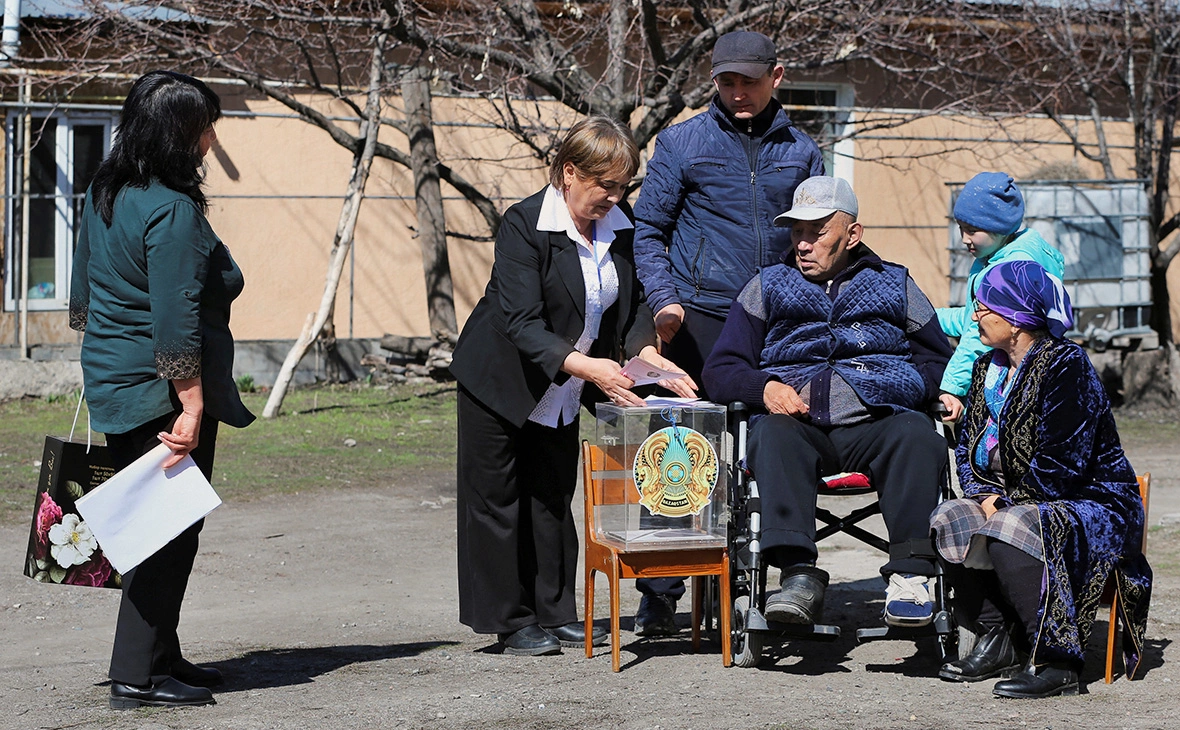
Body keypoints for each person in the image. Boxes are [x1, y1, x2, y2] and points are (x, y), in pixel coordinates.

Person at [449, 116, 696, 657]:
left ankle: (555, 611)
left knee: (553, 497)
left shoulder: (619, 226)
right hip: (501, 380)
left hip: (563, 385)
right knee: (498, 502)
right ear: (568, 173)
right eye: (603, 185)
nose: (614, 196)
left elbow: (627, 310)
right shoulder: (524, 224)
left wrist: (644, 351)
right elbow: (520, 321)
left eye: (622, 186)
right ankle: (509, 621)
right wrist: (591, 369)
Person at [68, 71, 254, 709]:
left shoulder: (107, 189)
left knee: (167, 524)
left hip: (117, 375)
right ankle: (136, 676)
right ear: (179, 134)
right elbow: (175, 317)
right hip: (161, 389)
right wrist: (193, 403)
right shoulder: (172, 210)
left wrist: (106, 355)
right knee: (162, 534)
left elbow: (84, 293)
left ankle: (160, 655)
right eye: (205, 125)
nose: (210, 138)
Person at [631, 29, 825, 635]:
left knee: (778, 430)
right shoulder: (683, 143)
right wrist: (664, 300)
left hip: (777, 317)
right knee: (682, 445)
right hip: (701, 313)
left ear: (777, 75)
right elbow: (648, 232)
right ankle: (660, 591)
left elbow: (821, 233)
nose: (738, 93)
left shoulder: (802, 151)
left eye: (749, 80)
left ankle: (781, 572)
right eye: (727, 82)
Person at [703, 176, 956, 630]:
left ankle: (911, 577)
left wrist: (903, 384)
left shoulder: (894, 283)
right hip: (798, 425)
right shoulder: (766, 286)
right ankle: (798, 576)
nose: (802, 244)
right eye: (796, 231)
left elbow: (939, 360)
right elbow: (721, 370)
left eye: (816, 232)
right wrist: (765, 389)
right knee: (771, 435)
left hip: (877, 422)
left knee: (918, 436)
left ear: (852, 235)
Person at [931, 260, 1151, 699]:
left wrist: (1009, 503)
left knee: (1007, 528)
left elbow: (1063, 461)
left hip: (1094, 500)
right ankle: (996, 641)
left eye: (982, 307)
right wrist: (982, 494)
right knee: (950, 518)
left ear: (1014, 318)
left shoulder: (1066, 365)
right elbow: (967, 446)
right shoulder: (985, 369)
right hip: (1018, 497)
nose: (975, 316)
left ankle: (1056, 658)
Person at [937, 172, 1064, 420]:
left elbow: (977, 331)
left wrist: (951, 387)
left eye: (972, 230)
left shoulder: (1007, 272)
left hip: (1013, 371)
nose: (964, 239)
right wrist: (926, 318)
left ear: (998, 227)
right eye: (961, 229)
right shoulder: (992, 258)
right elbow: (970, 317)